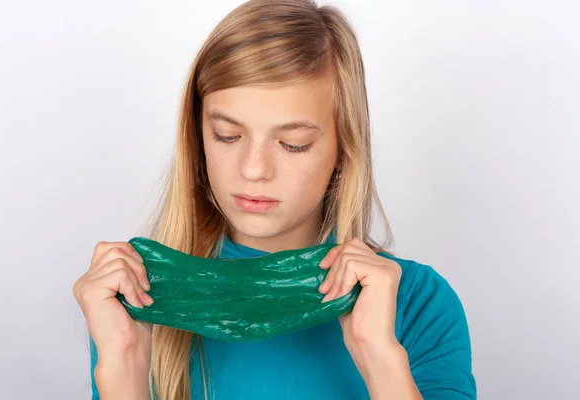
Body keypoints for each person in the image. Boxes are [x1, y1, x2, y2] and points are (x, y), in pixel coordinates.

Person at [72, 0, 477, 399]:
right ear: (197, 139)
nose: (254, 169)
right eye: (228, 135)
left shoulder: (418, 301)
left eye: (293, 144)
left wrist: (380, 358)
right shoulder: (141, 292)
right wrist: (122, 370)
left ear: (343, 150)